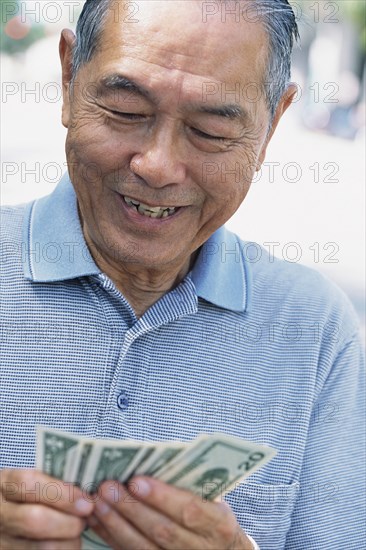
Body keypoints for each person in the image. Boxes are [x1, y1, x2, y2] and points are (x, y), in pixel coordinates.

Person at [0, 0, 364, 549]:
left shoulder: (313, 327)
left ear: (272, 125)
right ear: (69, 77)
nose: (157, 165)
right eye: (125, 109)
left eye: (210, 131)